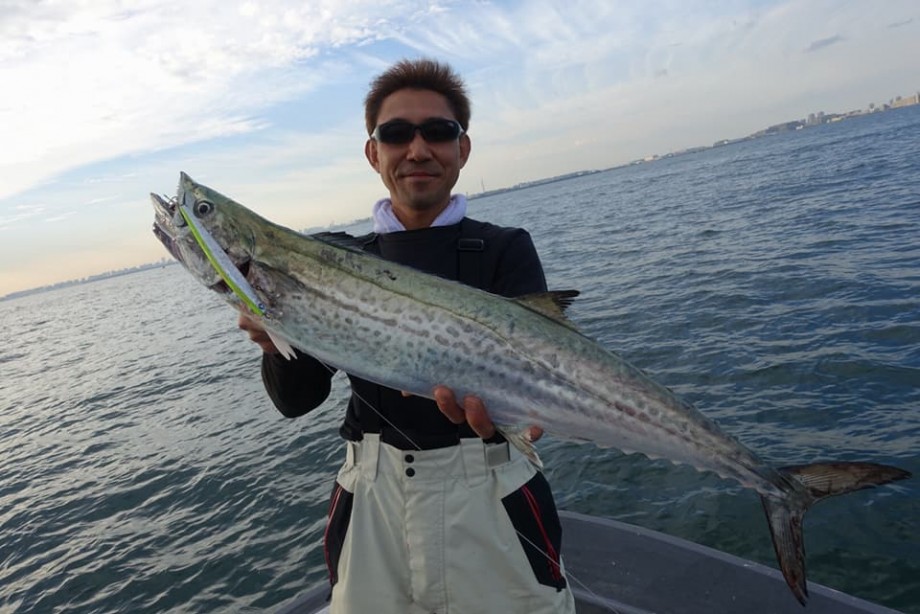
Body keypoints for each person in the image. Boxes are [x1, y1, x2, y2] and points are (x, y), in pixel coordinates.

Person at [239, 58, 576, 614]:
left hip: (490, 493)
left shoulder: (504, 248)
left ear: (462, 149)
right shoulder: (336, 259)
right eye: (396, 134)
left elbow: (532, 386)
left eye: (438, 131)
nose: (417, 150)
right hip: (373, 498)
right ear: (373, 153)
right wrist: (275, 340)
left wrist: (518, 417)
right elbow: (296, 401)